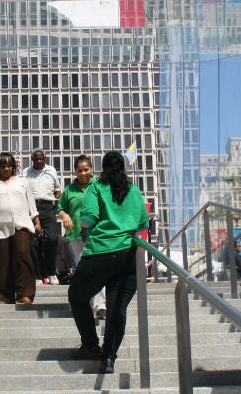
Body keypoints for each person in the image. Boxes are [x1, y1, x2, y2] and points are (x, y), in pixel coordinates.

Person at [68, 151, 149, 374]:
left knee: (77, 296)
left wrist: (91, 230)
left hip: (99, 254)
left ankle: (91, 345)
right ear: (122, 167)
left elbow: (86, 221)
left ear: (102, 168)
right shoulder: (134, 191)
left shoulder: (96, 187)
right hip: (129, 256)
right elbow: (143, 225)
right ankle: (109, 357)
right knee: (117, 308)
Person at [0, 152, 41, 304]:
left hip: (22, 223)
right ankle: (4, 296)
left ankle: (25, 294)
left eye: (9, 166)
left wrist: (37, 221)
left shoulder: (22, 181)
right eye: (3, 166)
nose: (6, 169)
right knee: (2, 261)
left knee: (23, 255)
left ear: (13, 167)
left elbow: (31, 204)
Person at [58, 155, 105, 318]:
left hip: (96, 235)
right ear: (75, 171)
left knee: (97, 270)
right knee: (84, 271)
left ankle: (100, 306)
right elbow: (60, 207)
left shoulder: (99, 186)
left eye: (86, 169)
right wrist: (65, 215)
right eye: (80, 170)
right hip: (76, 235)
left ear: (92, 169)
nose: (83, 173)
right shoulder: (69, 190)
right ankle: (83, 303)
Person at [25, 149, 63, 285]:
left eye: (41, 159)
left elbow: (57, 189)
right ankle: (37, 276)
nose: (39, 161)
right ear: (32, 159)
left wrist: (58, 194)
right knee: (33, 242)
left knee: (51, 239)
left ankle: (52, 273)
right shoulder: (26, 173)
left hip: (48, 207)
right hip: (31, 207)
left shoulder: (52, 170)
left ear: (45, 159)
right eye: (36, 159)